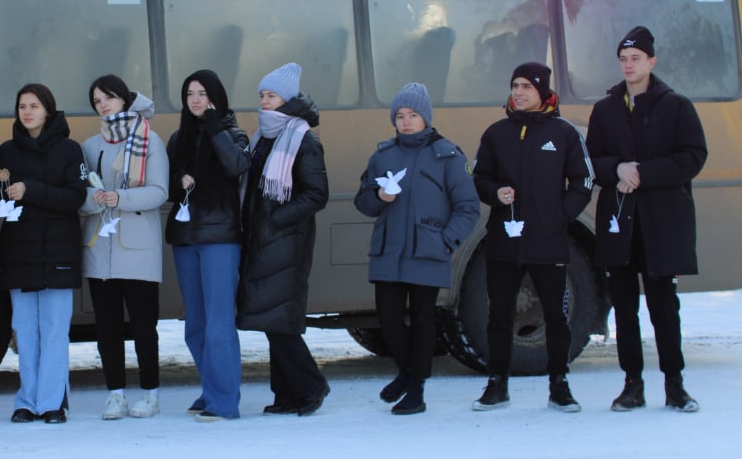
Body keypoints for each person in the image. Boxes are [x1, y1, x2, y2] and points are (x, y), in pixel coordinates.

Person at [587, 26, 708, 412]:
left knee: (663, 307)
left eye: (635, 59)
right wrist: (617, 168)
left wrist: (644, 173)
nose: (628, 65)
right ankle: (632, 385)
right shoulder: (605, 110)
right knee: (624, 307)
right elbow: (591, 162)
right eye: (623, 60)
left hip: (662, 224)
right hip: (620, 224)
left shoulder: (675, 106)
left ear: (651, 62)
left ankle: (675, 384)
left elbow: (693, 156)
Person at [471, 62, 594, 412]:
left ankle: (559, 384)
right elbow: (479, 177)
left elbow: (583, 181)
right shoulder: (496, 133)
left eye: (526, 86)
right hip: (504, 240)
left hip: (548, 241)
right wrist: (496, 193)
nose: (518, 92)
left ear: (542, 91)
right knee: (499, 315)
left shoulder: (564, 133)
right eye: (514, 85)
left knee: (556, 316)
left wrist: (560, 216)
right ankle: (497, 384)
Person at [355, 82, 479, 415]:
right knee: (389, 318)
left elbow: (468, 206)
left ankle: (416, 389)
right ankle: (407, 373)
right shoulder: (383, 155)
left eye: (412, 115)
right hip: (388, 251)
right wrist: (379, 198)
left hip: (428, 250)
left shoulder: (447, 155)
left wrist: (445, 241)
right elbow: (363, 202)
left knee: (424, 320)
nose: (406, 121)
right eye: (400, 116)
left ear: (425, 117)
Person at [237, 63, 330, 418]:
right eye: (262, 95)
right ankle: (287, 393)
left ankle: (311, 385)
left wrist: (276, 221)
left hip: (286, 241)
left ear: (287, 99)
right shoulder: (265, 136)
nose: (264, 101)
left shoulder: (303, 138)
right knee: (272, 320)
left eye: (271, 95)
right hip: (263, 240)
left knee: (281, 322)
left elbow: (315, 194)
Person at [0, 84, 87, 424]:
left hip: (57, 253)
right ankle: (26, 401)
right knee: (25, 331)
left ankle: (52, 402)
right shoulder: (6, 150)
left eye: (34, 105)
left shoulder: (69, 150)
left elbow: (74, 198)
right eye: (22, 106)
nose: (27, 111)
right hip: (20, 253)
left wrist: (31, 190)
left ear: (48, 109)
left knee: (53, 330)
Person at [79, 75, 169, 420]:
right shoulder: (90, 146)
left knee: (145, 326)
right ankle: (115, 394)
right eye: (97, 100)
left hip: (139, 248)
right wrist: (94, 199)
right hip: (100, 248)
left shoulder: (149, 140)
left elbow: (160, 191)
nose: (103, 105)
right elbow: (80, 194)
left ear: (124, 99)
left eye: (109, 98)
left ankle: (150, 393)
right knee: (108, 327)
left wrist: (120, 197)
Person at [165, 70, 251, 421]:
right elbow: (166, 187)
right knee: (195, 326)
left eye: (203, 93)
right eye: (190, 94)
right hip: (185, 238)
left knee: (218, 325)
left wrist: (215, 126)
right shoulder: (178, 138)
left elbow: (237, 166)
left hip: (220, 238)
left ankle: (225, 401)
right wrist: (177, 180)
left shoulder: (233, 133)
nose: (196, 100)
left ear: (216, 96)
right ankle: (211, 389)